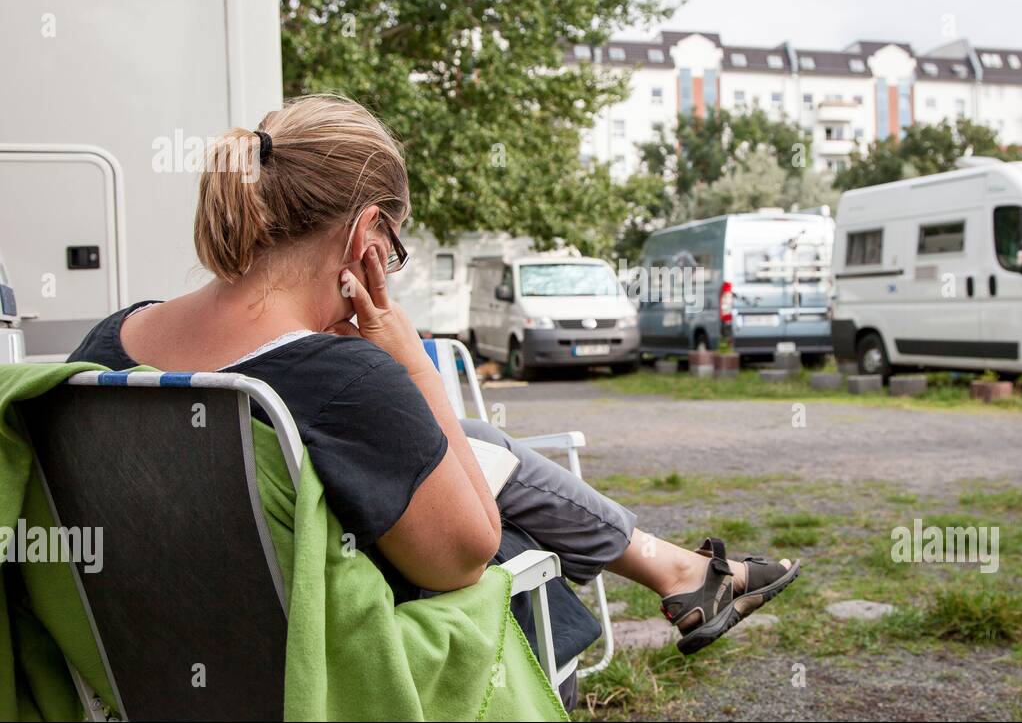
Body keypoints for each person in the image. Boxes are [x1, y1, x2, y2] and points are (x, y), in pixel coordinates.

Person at [68, 94, 799, 659]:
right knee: (509, 548)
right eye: (396, 244)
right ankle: (681, 576)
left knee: (469, 448)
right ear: (366, 239)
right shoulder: (347, 379)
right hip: (304, 671)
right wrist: (411, 359)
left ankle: (681, 574)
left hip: (146, 656)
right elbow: (463, 555)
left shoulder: (104, 346)